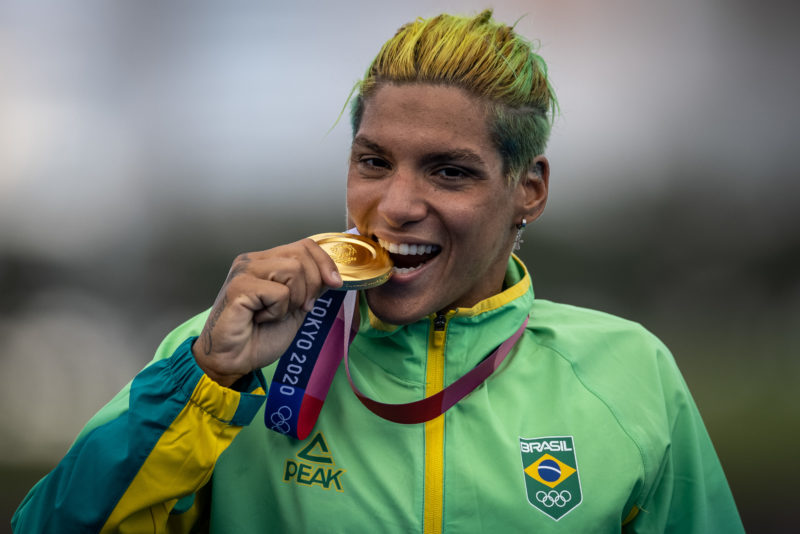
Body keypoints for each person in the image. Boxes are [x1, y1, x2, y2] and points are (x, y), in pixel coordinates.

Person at [13, 10, 744, 533]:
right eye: (373, 163)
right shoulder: (224, 359)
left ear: (530, 190)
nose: (395, 205)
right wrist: (210, 378)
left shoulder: (629, 374)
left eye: (449, 172)